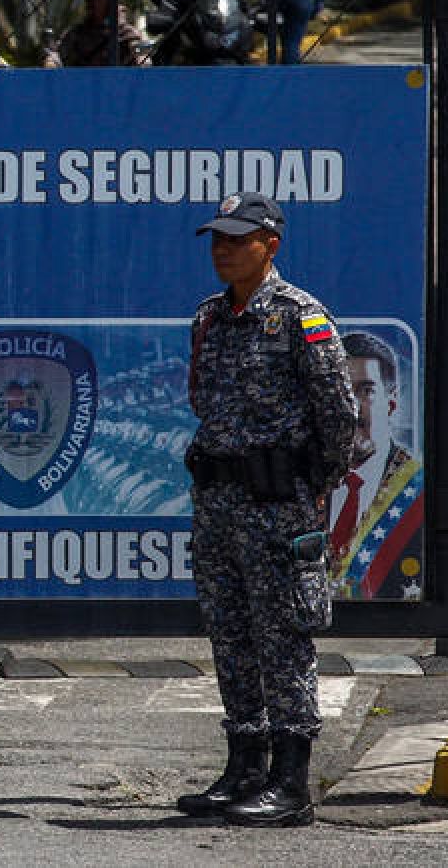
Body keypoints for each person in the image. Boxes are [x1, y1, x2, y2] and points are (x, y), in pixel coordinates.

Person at [176, 191, 356, 827]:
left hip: (278, 504)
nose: (223, 250)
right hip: (219, 501)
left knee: (282, 634)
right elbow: (203, 400)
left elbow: (340, 417)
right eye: (217, 239)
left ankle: (290, 779)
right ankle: (244, 765)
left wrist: (309, 485)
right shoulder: (209, 318)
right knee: (231, 632)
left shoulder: (302, 319)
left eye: (237, 239)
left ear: (269, 245)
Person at [327, 331, 422, 600]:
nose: (352, 407)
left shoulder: (418, 493)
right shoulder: (303, 481)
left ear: (391, 403)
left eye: (365, 391)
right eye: (341, 391)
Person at [57, 0, 146, 67]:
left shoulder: (127, 33)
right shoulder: (76, 33)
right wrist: (52, 61)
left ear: (110, 1)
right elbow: (57, 55)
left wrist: (142, 59)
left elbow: (143, 57)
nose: (92, 2)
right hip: (84, 80)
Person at [267, 0, 325, 64]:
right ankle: (290, 74)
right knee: (292, 42)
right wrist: (319, 2)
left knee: (275, 39)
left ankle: (274, 70)